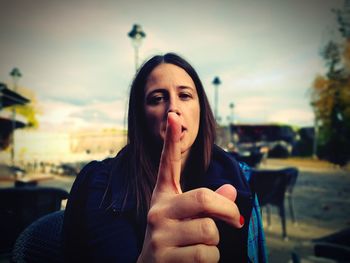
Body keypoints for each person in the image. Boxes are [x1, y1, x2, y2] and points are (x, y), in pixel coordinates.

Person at [63, 53, 267, 262]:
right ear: (140, 115)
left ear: (201, 108)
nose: (173, 108)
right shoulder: (102, 184)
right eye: (158, 98)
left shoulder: (240, 176)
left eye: (185, 95)